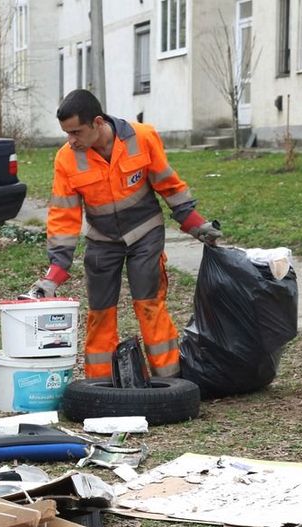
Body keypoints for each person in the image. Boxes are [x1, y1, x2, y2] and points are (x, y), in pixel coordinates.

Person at [27, 89, 222, 380]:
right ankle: (100, 384)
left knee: (149, 306)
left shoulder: (142, 137)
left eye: (76, 132)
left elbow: (167, 184)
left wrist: (195, 224)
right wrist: (55, 273)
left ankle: (170, 382)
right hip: (102, 241)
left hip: (145, 233)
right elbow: (64, 215)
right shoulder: (66, 159)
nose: (71, 140)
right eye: (66, 133)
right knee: (100, 313)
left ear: (97, 122)